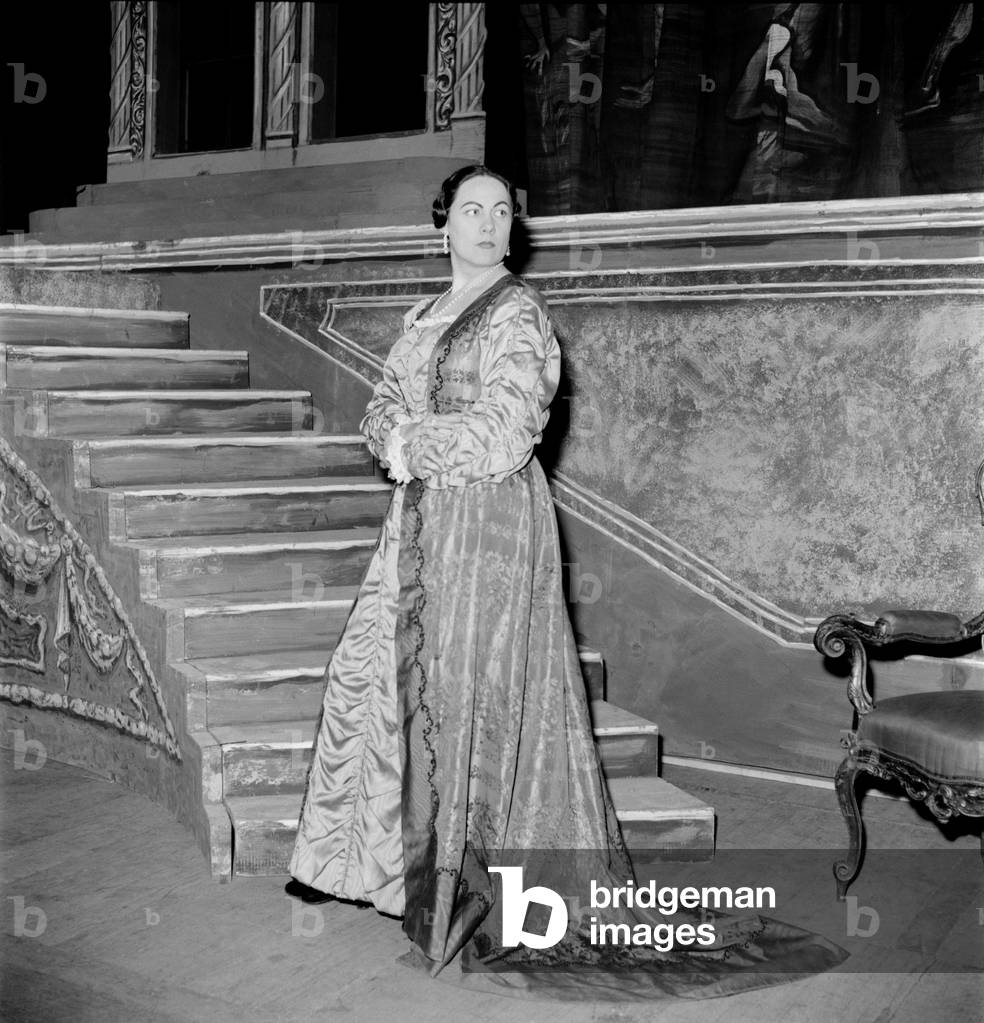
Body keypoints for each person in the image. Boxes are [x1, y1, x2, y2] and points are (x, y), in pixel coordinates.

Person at [286, 165, 847, 999]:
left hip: (489, 529)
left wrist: (411, 442)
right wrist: (395, 435)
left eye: (500, 211)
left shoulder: (519, 313)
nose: (488, 223)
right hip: (419, 526)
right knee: (375, 678)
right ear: (443, 225)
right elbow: (381, 407)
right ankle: (365, 865)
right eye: (471, 210)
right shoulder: (424, 316)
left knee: (469, 696)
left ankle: (466, 883)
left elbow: (506, 431)